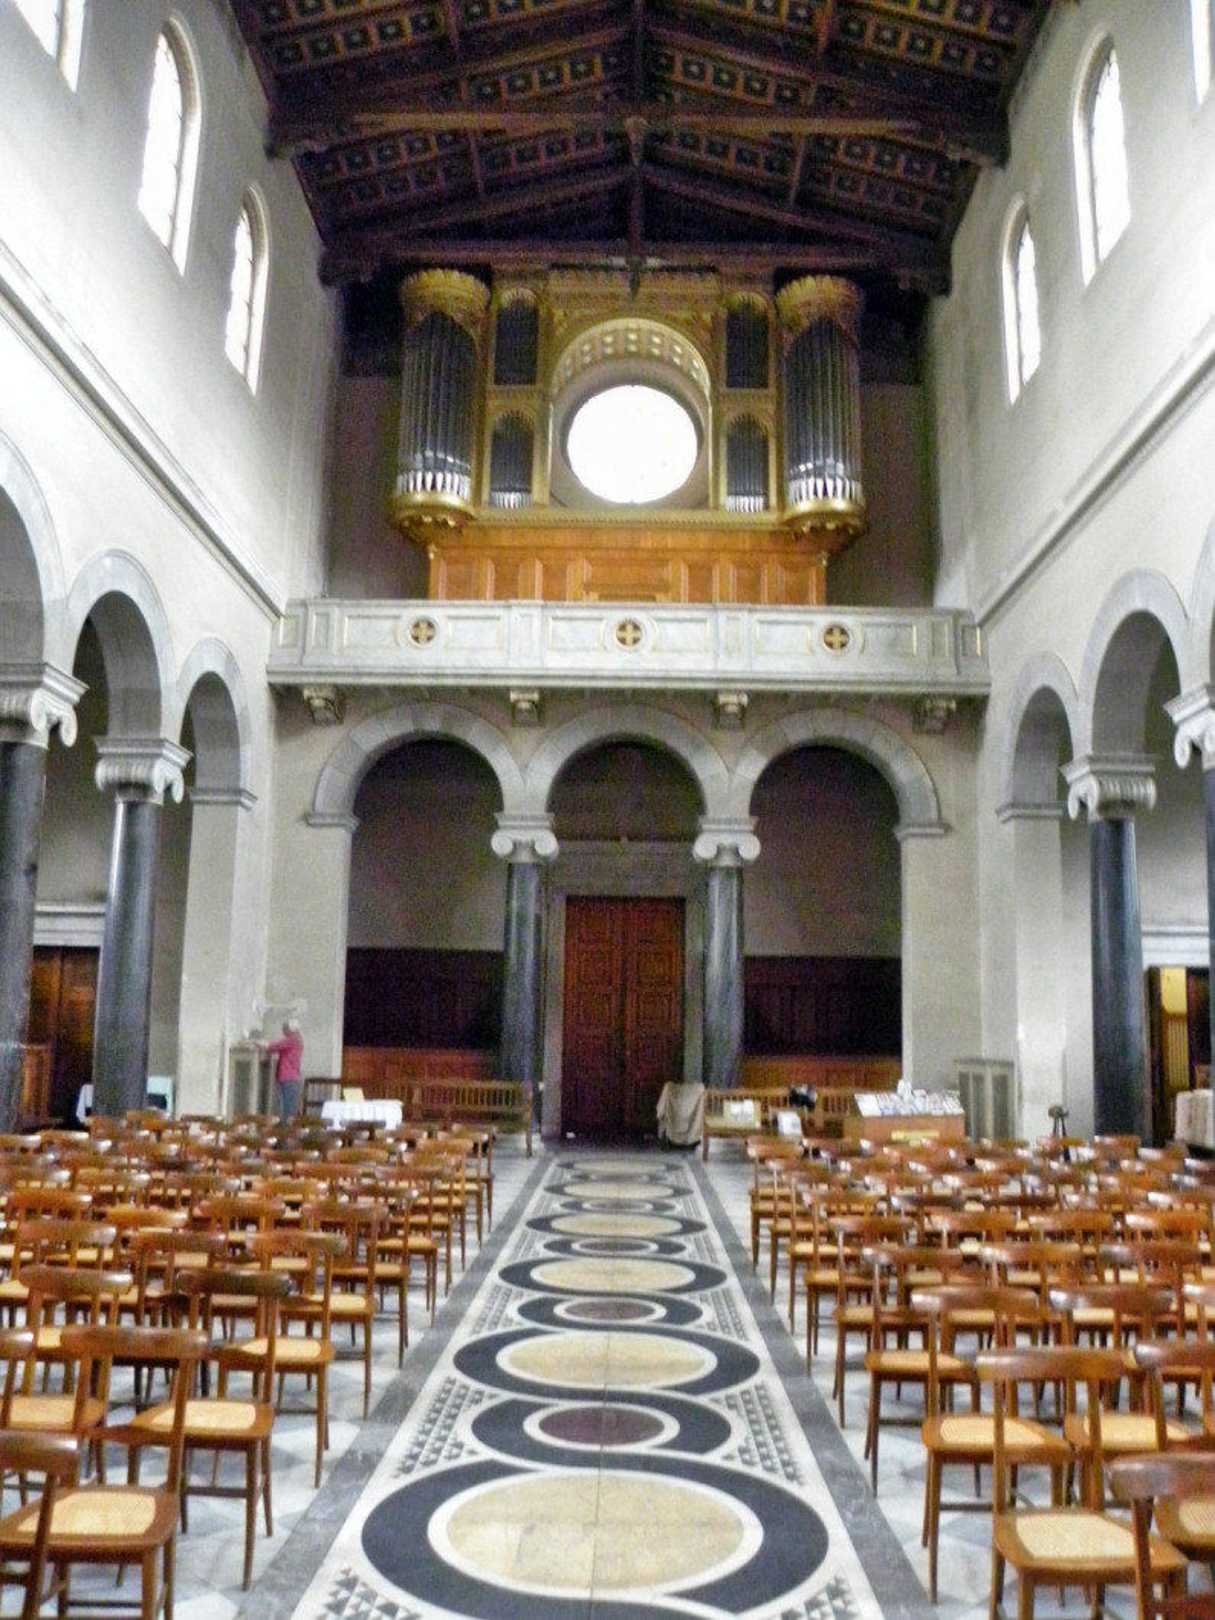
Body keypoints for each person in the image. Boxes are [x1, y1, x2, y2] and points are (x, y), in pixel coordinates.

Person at [264, 1019, 304, 1121]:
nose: (283, 1030)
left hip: (288, 1078)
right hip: (290, 1077)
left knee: (287, 1109)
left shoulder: (292, 1040)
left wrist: (256, 1042)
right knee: (288, 1107)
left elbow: (272, 1047)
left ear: (291, 1029)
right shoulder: (296, 1039)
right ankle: (286, 1127)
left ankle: (286, 1128)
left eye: (285, 1028)